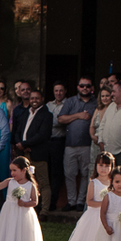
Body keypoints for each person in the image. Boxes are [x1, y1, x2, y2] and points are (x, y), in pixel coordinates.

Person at [65, 152, 114, 241]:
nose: (103, 169)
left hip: (109, 215)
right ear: (96, 166)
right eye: (101, 165)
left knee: (109, 239)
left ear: (112, 167)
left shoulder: (114, 183)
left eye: (107, 166)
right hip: (95, 215)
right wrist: (104, 204)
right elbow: (90, 201)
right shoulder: (93, 183)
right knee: (92, 239)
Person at [58, 77, 99, 211]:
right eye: (82, 86)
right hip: (70, 144)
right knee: (69, 174)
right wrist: (78, 115)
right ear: (78, 87)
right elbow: (60, 119)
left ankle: (81, 201)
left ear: (92, 88)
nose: (85, 88)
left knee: (86, 174)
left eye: (87, 86)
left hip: (88, 145)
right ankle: (71, 201)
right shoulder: (70, 101)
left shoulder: (96, 103)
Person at [13, 90, 53, 211]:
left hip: (38, 153)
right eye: (32, 98)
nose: (34, 100)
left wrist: (25, 144)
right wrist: (20, 144)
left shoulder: (47, 115)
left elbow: (42, 135)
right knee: (26, 181)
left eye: (37, 98)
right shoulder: (25, 113)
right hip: (24, 154)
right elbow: (17, 131)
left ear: (42, 99)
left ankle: (44, 211)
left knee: (43, 183)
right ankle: (27, 207)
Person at [46, 82, 67, 210]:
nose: (58, 93)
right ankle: (45, 201)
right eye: (56, 91)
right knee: (46, 172)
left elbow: (61, 122)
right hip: (47, 141)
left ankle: (53, 202)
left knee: (56, 173)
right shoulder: (48, 105)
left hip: (59, 141)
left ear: (65, 91)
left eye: (61, 90)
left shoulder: (68, 104)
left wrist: (58, 120)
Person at [89, 85, 113, 163]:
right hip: (95, 144)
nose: (105, 98)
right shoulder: (98, 109)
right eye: (102, 96)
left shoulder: (114, 109)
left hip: (108, 144)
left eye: (107, 96)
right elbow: (92, 126)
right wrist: (93, 136)